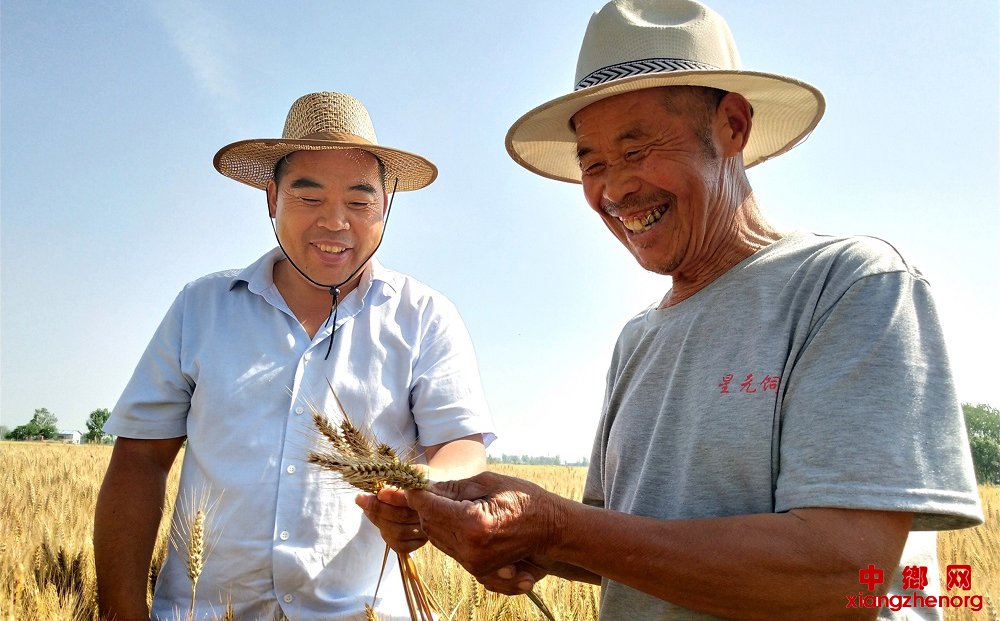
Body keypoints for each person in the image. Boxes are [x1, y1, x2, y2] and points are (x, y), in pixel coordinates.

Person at [405, 1, 984, 619]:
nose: (614, 188)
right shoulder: (639, 339)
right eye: (593, 163)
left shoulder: (848, 284)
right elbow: (626, 546)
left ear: (732, 126)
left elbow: (844, 571)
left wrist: (556, 530)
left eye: (638, 148)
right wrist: (506, 524)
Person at [94, 91, 495, 621]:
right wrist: (122, 610)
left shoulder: (423, 316)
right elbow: (140, 459)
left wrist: (419, 496)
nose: (335, 222)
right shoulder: (202, 307)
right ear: (271, 198)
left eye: (360, 201)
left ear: (386, 206)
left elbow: (461, 448)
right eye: (309, 198)